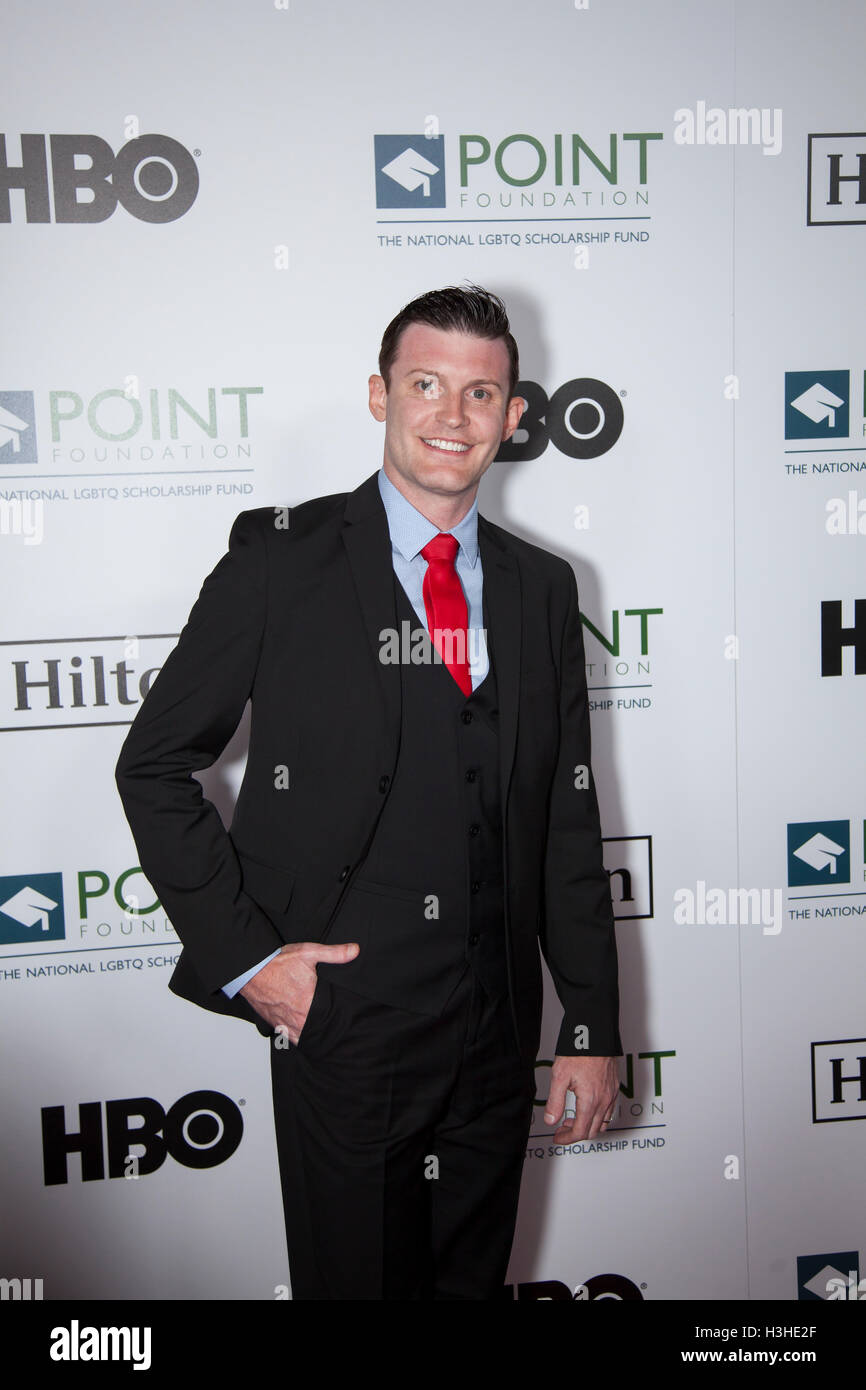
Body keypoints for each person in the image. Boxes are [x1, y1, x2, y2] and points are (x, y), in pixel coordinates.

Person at [115, 284, 621, 1300]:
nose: (450, 415)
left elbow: (565, 817)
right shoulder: (279, 559)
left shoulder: (541, 587)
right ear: (378, 394)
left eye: (480, 394)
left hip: (494, 1023)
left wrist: (589, 1023)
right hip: (343, 1018)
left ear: (513, 416)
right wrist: (252, 961)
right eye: (424, 384)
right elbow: (155, 763)